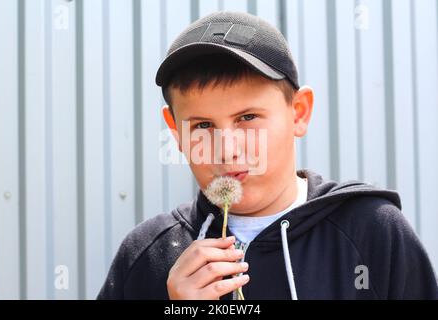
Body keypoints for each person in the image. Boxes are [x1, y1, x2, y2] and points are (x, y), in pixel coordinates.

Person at [98, 11, 438, 300]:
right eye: (203, 125)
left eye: (247, 118)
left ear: (299, 113)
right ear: (175, 132)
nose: (227, 151)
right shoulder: (147, 255)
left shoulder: (372, 232)